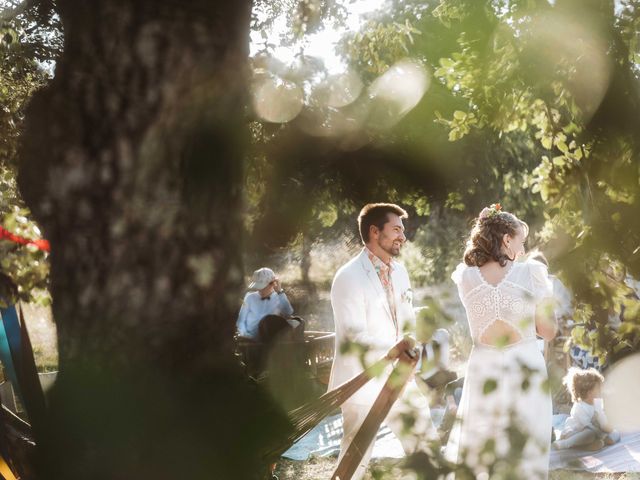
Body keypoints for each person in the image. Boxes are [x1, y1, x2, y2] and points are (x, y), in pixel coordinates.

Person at [445, 204, 557, 479]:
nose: (522, 247)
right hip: (523, 364)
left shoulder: (465, 276)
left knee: (484, 441)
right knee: (528, 441)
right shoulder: (531, 272)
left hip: (483, 366)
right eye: (521, 240)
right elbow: (548, 330)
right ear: (507, 238)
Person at [328, 203, 438, 480]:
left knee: (426, 446)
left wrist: (413, 342)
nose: (403, 236)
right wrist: (392, 349)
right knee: (354, 462)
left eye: (403, 230)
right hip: (362, 380)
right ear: (375, 232)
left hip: (402, 377)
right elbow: (353, 334)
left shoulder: (400, 272)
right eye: (397, 229)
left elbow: (407, 320)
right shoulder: (348, 277)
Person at [553, 367, 620, 450]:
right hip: (574, 433)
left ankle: (589, 446)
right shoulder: (580, 407)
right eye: (598, 389)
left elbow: (602, 420)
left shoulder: (597, 402)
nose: (601, 391)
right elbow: (587, 426)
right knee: (589, 434)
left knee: (615, 432)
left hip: (594, 432)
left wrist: (609, 430)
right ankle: (564, 444)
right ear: (589, 393)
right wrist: (603, 436)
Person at [236, 267, 294, 341]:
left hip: (270, 339)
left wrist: (279, 292)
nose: (259, 289)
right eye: (257, 287)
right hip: (251, 338)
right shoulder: (249, 297)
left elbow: (288, 312)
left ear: (272, 284)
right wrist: (244, 334)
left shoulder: (279, 297)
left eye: (262, 287)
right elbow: (241, 321)